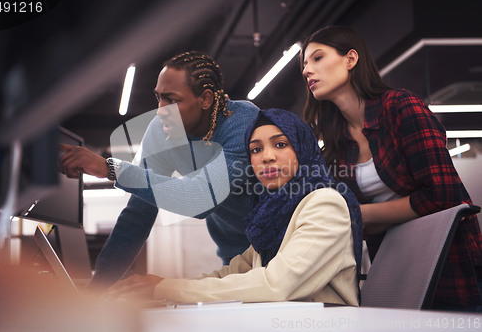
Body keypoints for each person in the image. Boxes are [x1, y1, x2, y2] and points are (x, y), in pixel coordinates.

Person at [300, 25, 482, 311]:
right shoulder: (337, 144)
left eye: (317, 58)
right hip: (396, 266)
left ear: (350, 59)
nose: (306, 70)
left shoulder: (400, 107)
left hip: (448, 263)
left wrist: (360, 214)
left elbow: (444, 196)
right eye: (304, 63)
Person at [107, 108, 362, 306]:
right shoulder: (272, 214)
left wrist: (164, 289)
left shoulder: (325, 203)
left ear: (302, 148)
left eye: (281, 144)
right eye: (256, 149)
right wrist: (158, 285)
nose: (267, 156)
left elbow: (276, 285)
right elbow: (229, 275)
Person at [60, 51, 260, 288]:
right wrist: (96, 292)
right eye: (159, 98)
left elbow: (201, 198)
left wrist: (110, 168)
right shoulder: (161, 130)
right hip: (235, 252)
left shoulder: (243, 122)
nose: (161, 110)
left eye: (172, 100)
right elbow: (138, 215)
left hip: (282, 242)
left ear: (205, 99)